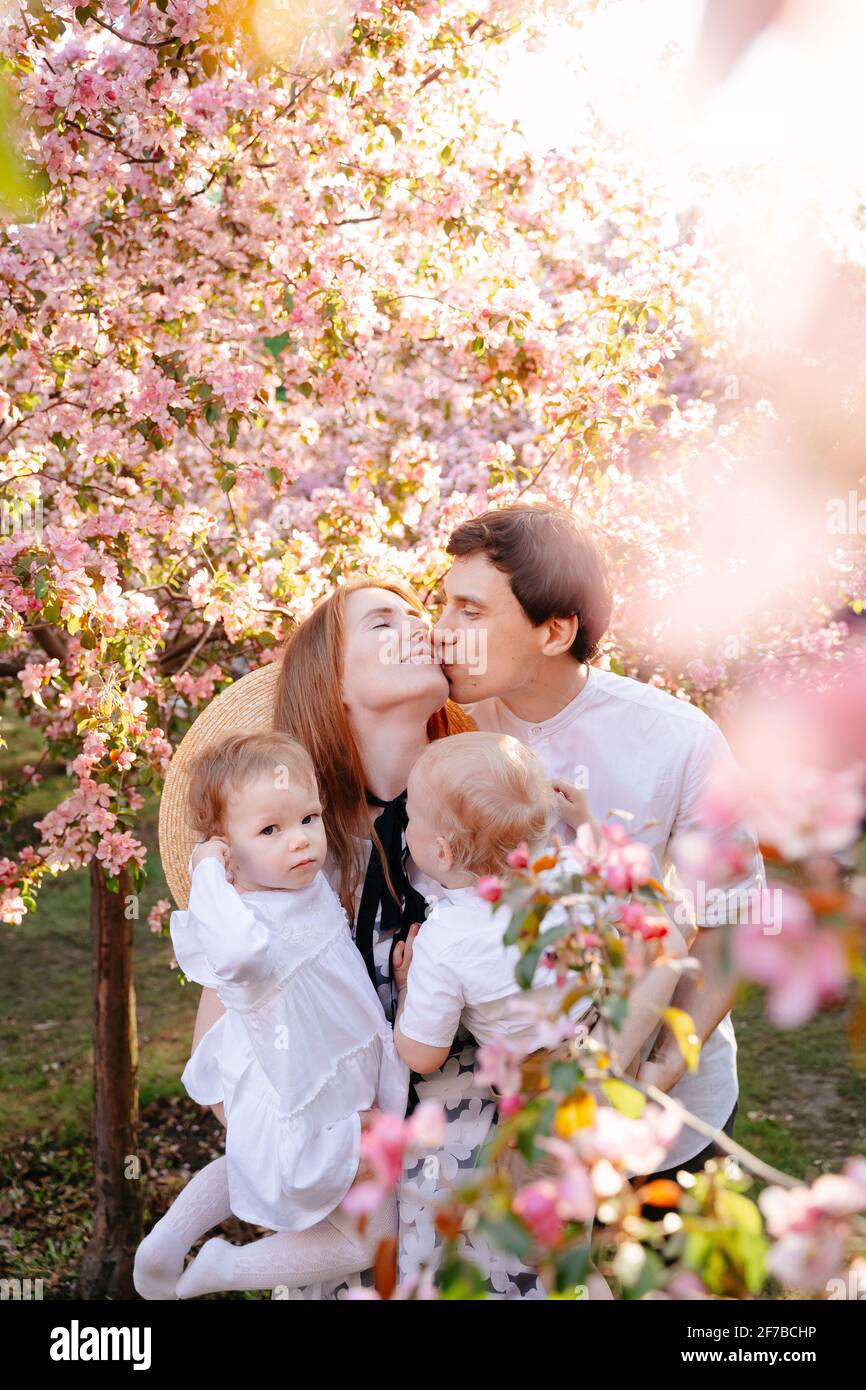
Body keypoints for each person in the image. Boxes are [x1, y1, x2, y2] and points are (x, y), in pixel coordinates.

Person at [173, 577, 548, 1297]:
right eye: (384, 622)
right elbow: (221, 1061)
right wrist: (320, 1149)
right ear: (333, 685)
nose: (419, 626)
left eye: (418, 614)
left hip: (485, 1190)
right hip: (355, 1212)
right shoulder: (294, 858)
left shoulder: (492, 819)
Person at [434, 503, 765, 1177]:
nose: (441, 633)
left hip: (667, 1122)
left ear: (555, 631)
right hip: (497, 1137)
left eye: (470, 612)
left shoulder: (677, 738)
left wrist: (660, 1071)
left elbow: (735, 921)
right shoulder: (440, 726)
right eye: (441, 606)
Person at [134, 731, 407, 1299]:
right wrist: (207, 871)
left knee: (246, 1164)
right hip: (308, 1104)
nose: (300, 842)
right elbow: (232, 953)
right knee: (370, 1241)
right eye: (270, 830)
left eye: (308, 818)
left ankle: (168, 1241)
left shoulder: (302, 888)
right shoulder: (246, 929)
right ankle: (222, 1269)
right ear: (227, 849)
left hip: (336, 1081)